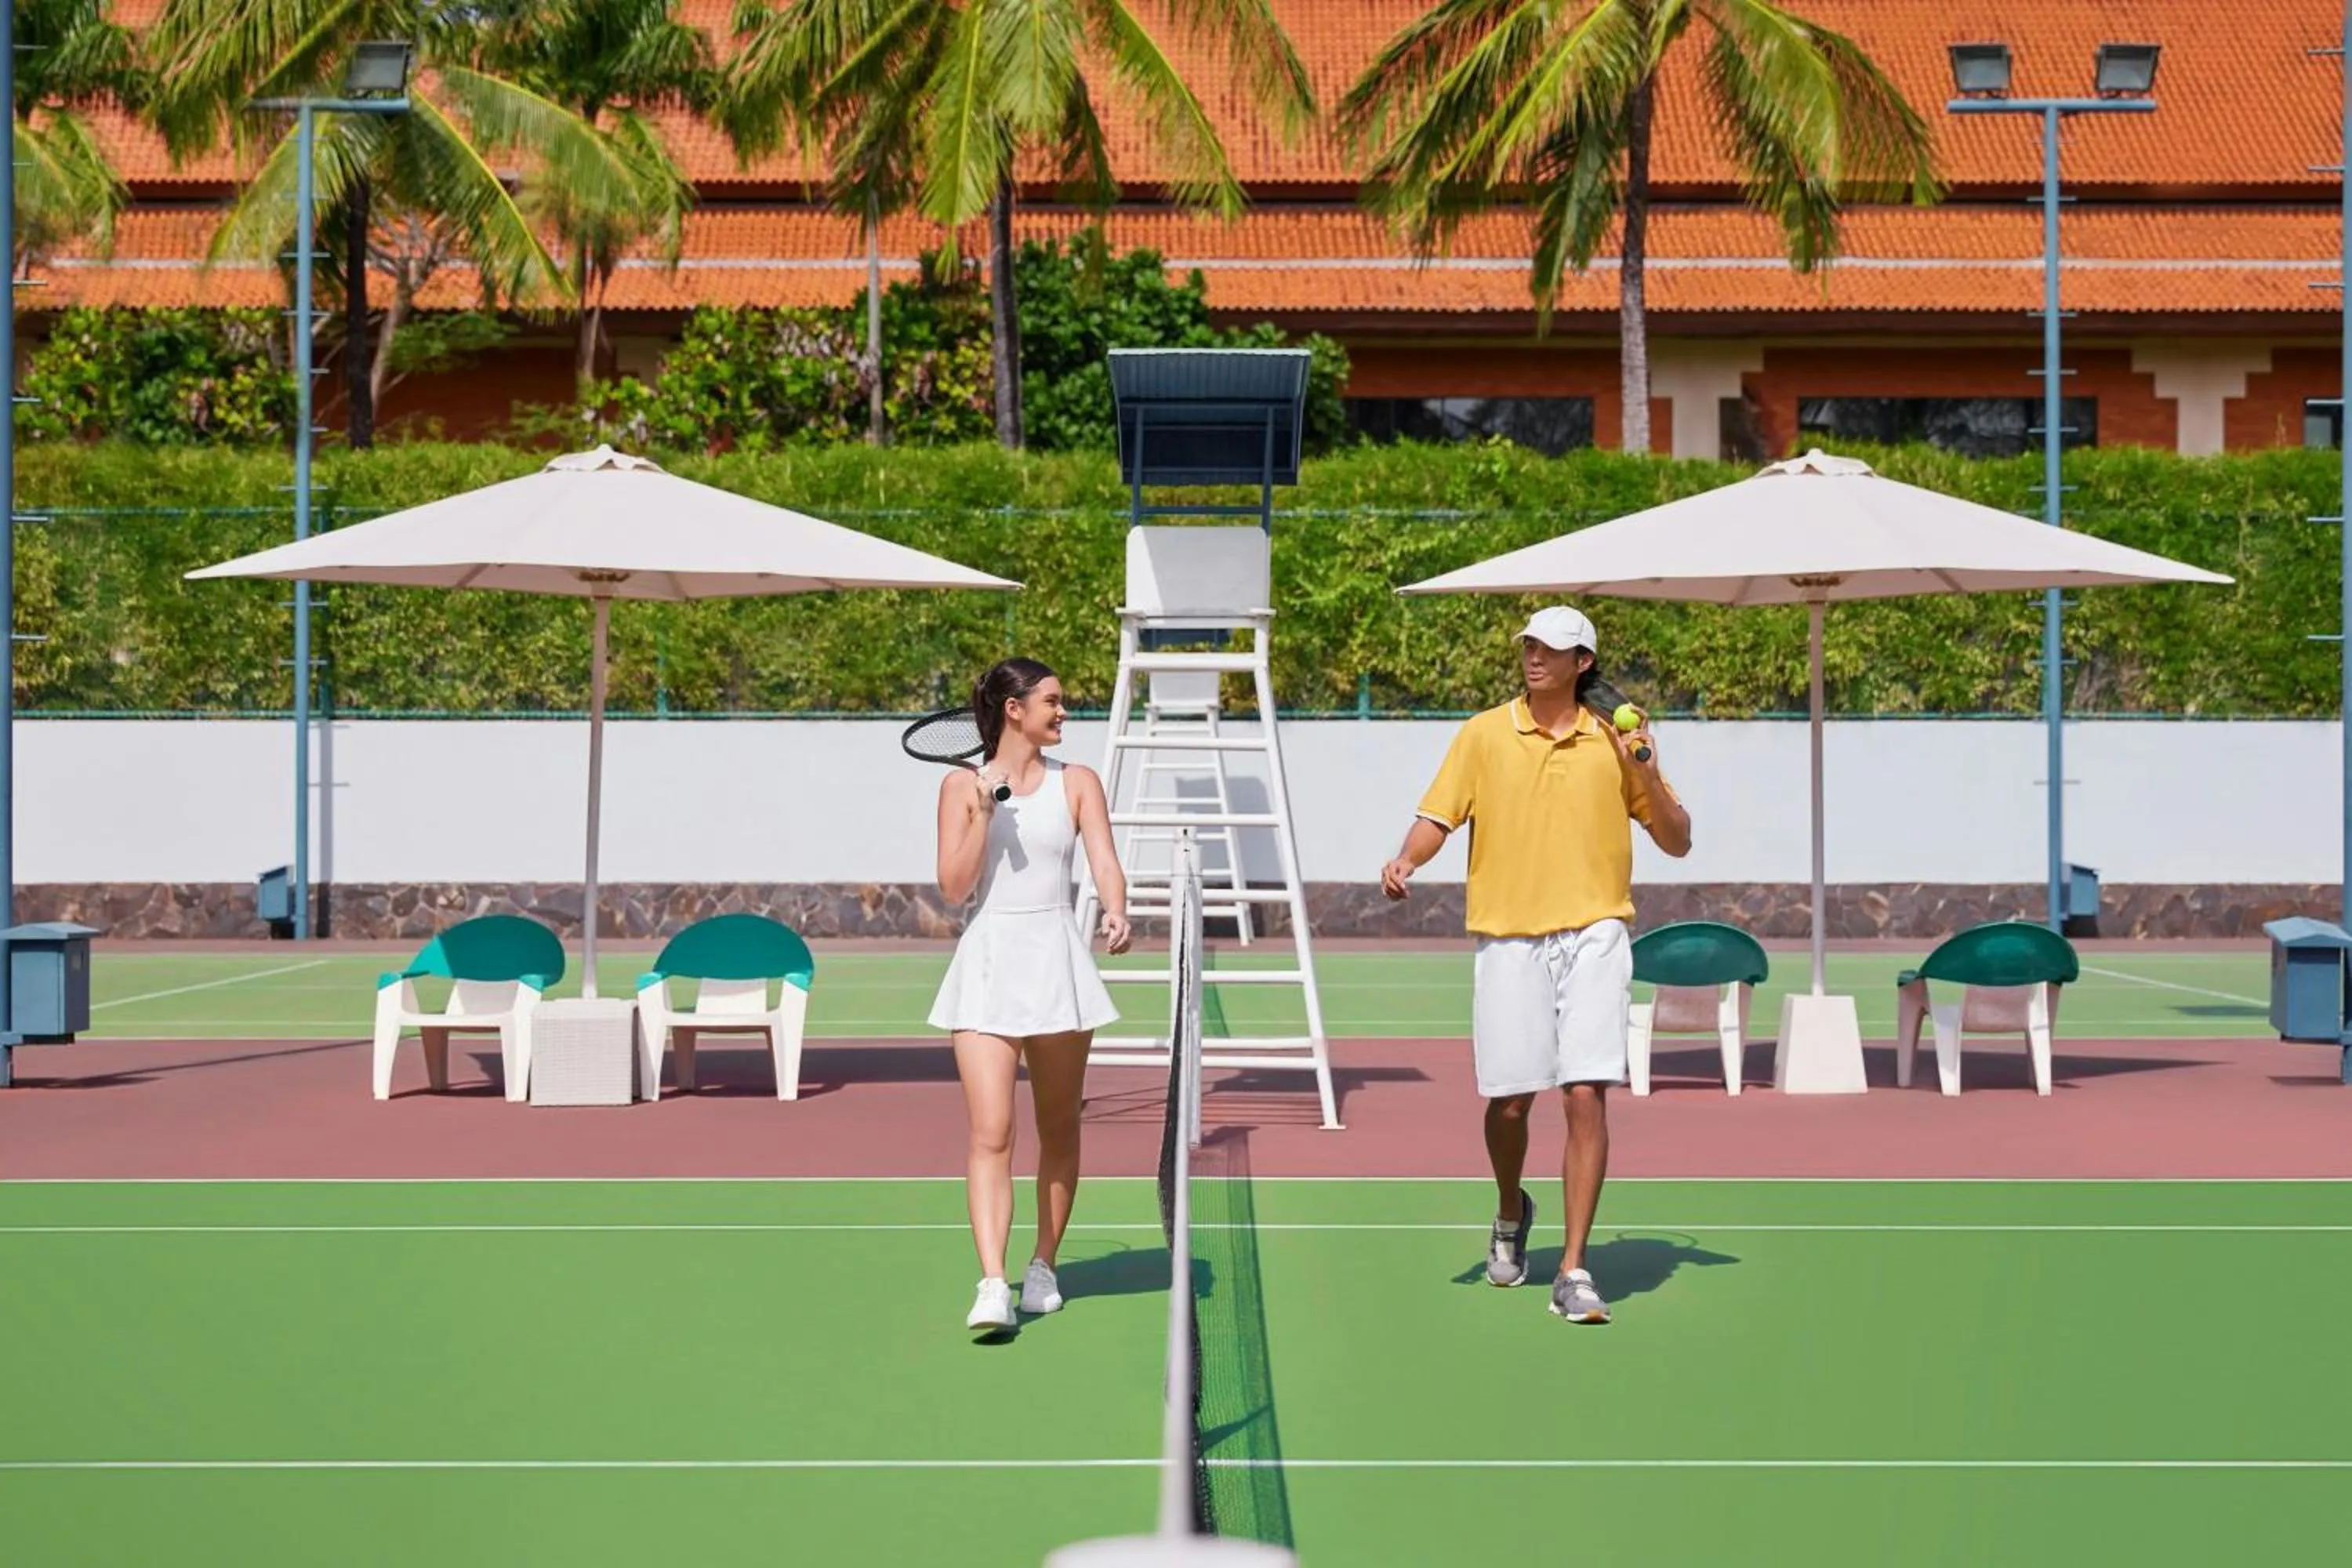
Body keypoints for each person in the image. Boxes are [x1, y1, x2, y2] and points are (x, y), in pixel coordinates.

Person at [1380, 607, 1692, 1324]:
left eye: (1550, 649)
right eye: (1528, 646)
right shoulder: (1485, 733)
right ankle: (1510, 1206)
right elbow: (1439, 816)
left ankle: (1575, 1269)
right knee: (1511, 1102)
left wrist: (1644, 761)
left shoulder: (1618, 742)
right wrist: (1406, 858)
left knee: (1586, 1092)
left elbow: (1677, 840)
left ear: (1583, 662)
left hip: (1596, 933)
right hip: (1509, 935)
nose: (1534, 658)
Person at [931, 657, 1132, 1336]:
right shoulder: (960, 787)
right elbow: (954, 888)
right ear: (1014, 709)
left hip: (1056, 962)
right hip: (987, 964)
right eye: (1053, 701)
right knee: (992, 1133)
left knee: (1059, 1127)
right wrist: (984, 812)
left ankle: (1043, 1266)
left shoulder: (1079, 783)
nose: (1064, 711)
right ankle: (994, 1283)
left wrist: (1116, 908)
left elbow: (1103, 856)